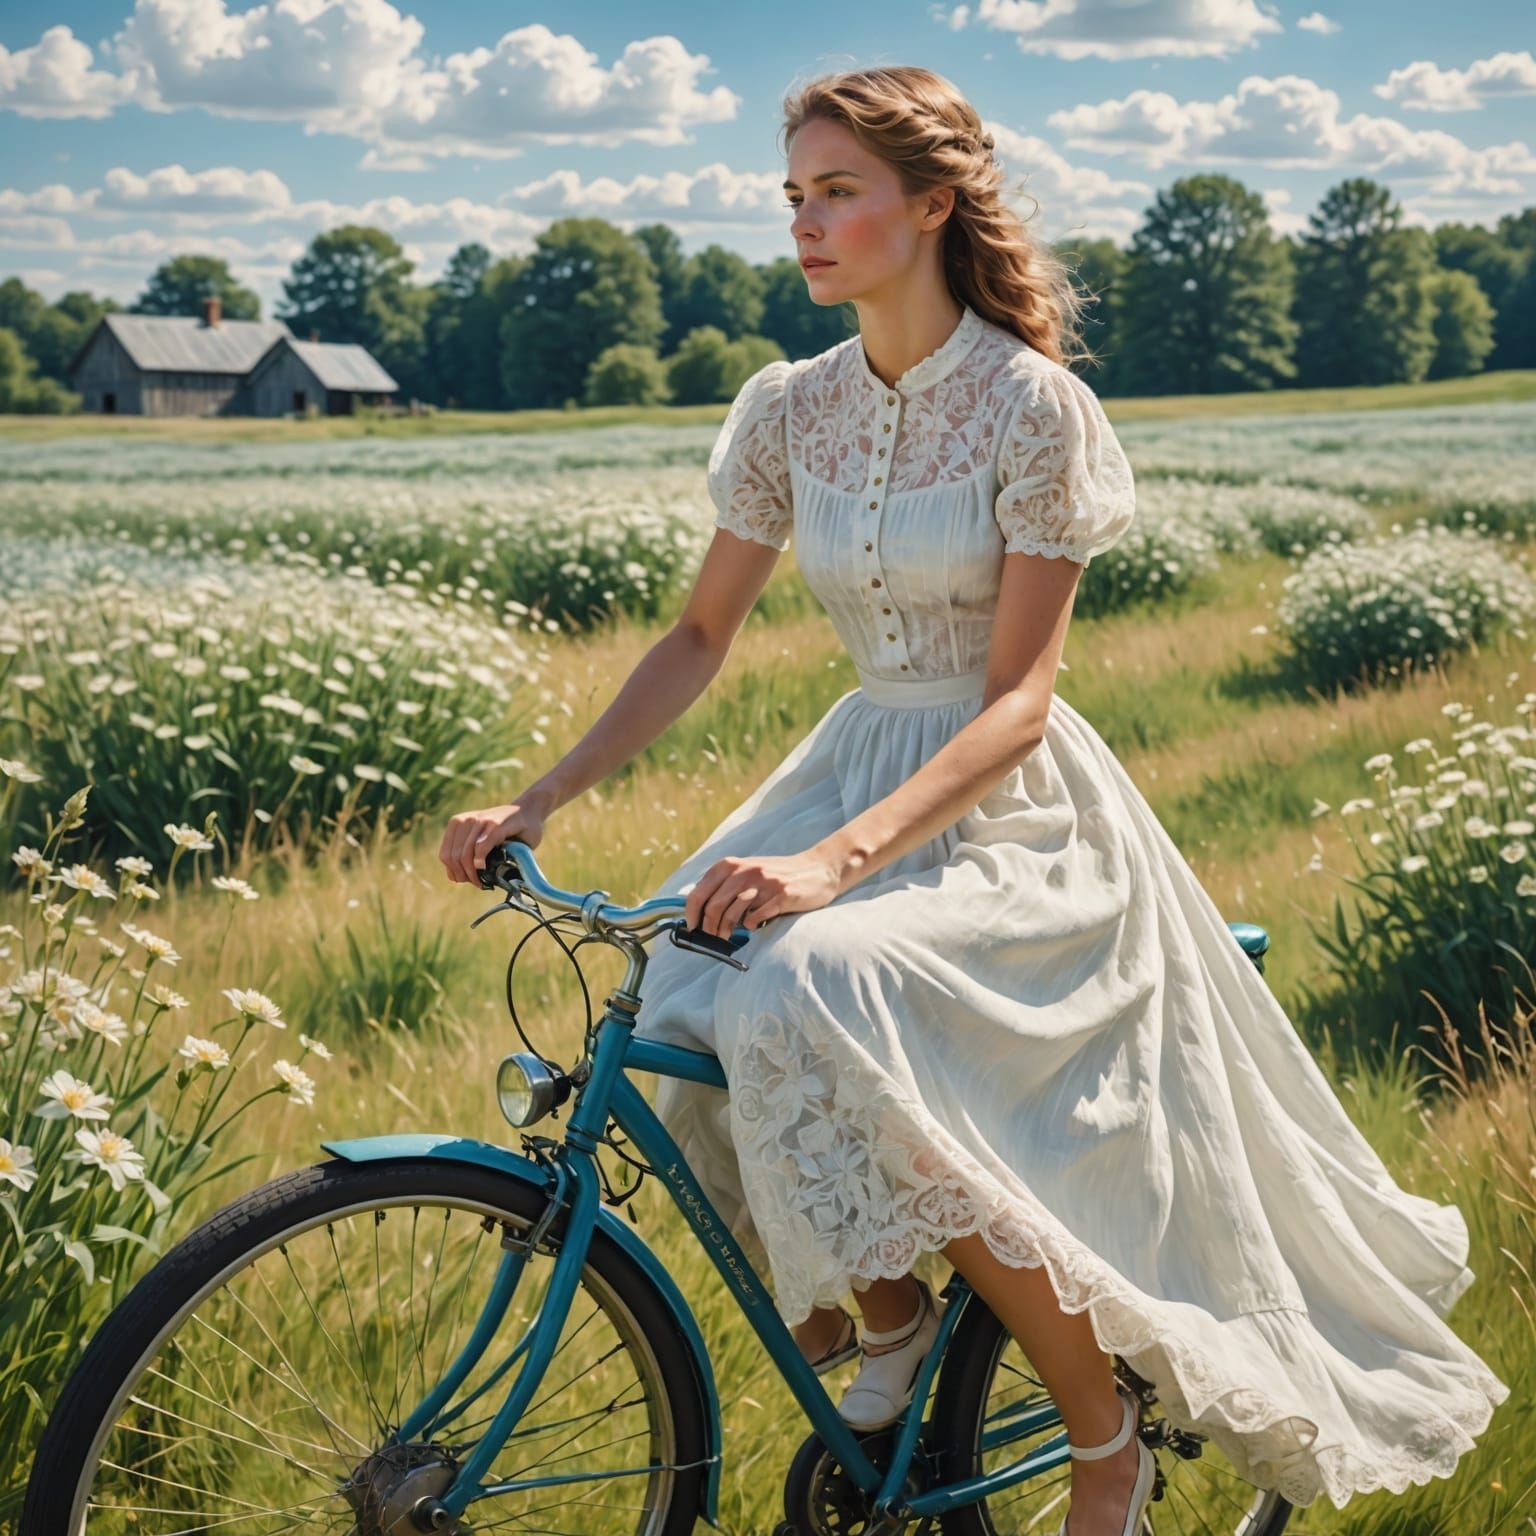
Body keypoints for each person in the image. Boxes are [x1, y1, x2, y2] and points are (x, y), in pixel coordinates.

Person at [438, 64, 1510, 1536]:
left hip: (1010, 813)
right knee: (679, 982)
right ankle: (883, 1314)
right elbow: (699, 636)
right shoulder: (788, 409)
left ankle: (1099, 1437)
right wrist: (543, 794)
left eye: (838, 193)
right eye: (795, 196)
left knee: (805, 978)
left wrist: (833, 863)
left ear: (931, 204)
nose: (807, 225)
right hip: (854, 757)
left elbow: (1018, 702)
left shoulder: (1030, 408)